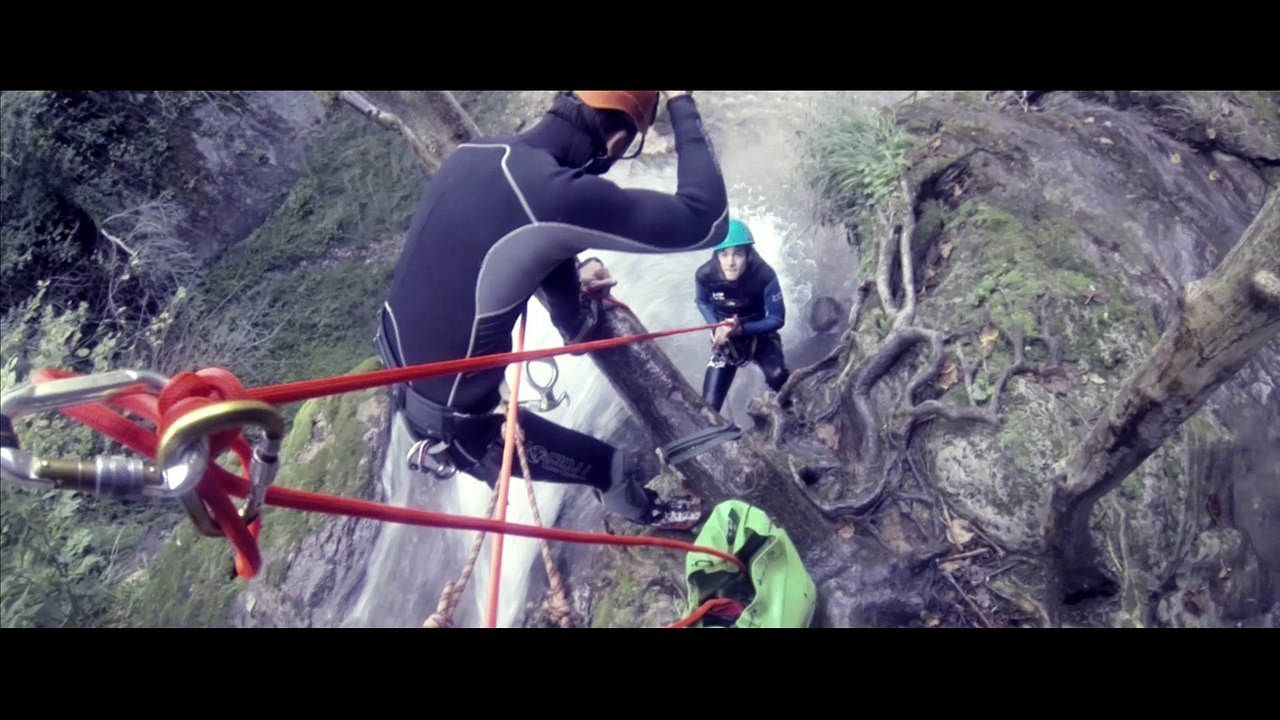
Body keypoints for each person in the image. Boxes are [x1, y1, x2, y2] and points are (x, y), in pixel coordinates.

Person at [376, 90, 729, 530]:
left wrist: (574, 308)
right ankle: (647, 514)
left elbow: (566, 306)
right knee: (613, 466)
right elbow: (707, 221)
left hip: (400, 375)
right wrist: (681, 102)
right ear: (617, 143)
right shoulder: (552, 196)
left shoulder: (476, 153)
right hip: (459, 428)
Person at [695, 219, 790, 413]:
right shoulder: (704, 275)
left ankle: (791, 412)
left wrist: (742, 329)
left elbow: (777, 319)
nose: (730, 262)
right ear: (717, 255)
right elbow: (702, 302)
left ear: (747, 254)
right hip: (726, 342)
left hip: (760, 337)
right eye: (724, 254)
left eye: (737, 254)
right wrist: (715, 326)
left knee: (778, 376)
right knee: (709, 407)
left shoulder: (764, 275)